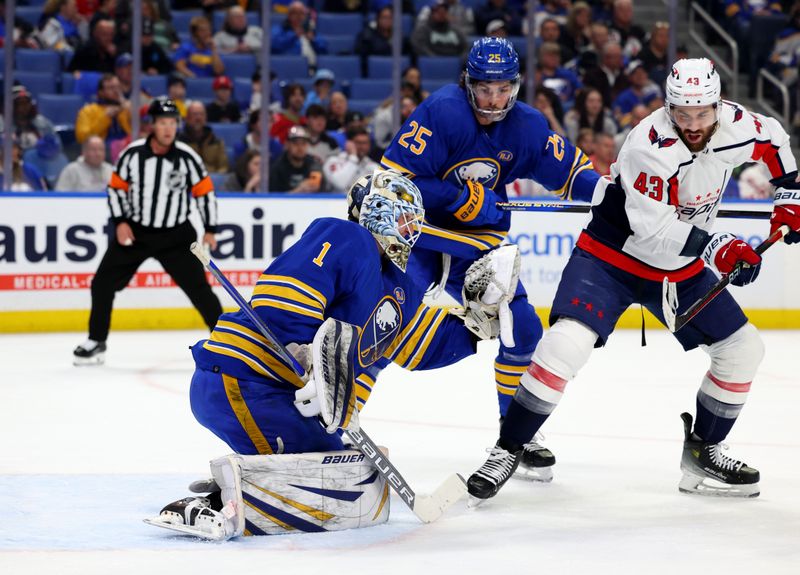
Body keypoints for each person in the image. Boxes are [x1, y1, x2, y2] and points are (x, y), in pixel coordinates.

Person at [466, 57, 800, 502]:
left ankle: (703, 450)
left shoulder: (739, 123)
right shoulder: (648, 142)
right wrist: (720, 245)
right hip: (611, 258)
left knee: (743, 350)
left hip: (678, 268)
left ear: (719, 106)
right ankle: (509, 448)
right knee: (566, 343)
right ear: (668, 106)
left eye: (702, 114)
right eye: (682, 113)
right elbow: (655, 232)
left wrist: (790, 195)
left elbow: (775, 139)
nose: (693, 124)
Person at [145, 170, 502, 539]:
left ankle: (246, 482)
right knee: (332, 482)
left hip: (275, 396)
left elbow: (422, 346)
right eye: (403, 216)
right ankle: (215, 507)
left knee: (348, 474)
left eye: (414, 220)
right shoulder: (346, 236)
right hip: (246, 379)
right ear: (376, 212)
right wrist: (308, 355)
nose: (410, 228)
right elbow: (288, 291)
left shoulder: (399, 290)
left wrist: (477, 328)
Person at [381, 37, 600, 481]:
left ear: (516, 87)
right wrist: (460, 197)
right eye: (485, 89)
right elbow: (392, 184)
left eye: (503, 89)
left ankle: (515, 434)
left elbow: (573, 173)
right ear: (468, 83)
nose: (494, 100)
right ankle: (340, 405)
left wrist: (608, 194)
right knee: (382, 316)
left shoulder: (528, 126)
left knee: (523, 326)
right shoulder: (440, 113)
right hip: (425, 238)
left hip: (478, 244)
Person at [73, 98, 223, 366]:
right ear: (152, 125)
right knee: (103, 283)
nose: (168, 129)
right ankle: (96, 341)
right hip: (137, 232)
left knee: (200, 289)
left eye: (173, 123)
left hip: (177, 235)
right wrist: (120, 221)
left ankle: (225, 342)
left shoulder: (188, 157)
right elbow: (116, 188)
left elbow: (204, 193)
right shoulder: (132, 154)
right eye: (163, 123)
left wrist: (210, 228)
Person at [322, 127, 380, 192]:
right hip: (332, 201)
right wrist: (353, 158)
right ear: (349, 143)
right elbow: (340, 184)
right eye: (358, 142)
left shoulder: (373, 166)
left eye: (365, 143)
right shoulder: (333, 161)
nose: (362, 147)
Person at [268, 125, 322, 193]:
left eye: (304, 143)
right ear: (287, 144)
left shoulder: (314, 164)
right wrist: (299, 190)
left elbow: (323, 193)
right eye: (295, 143)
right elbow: (273, 199)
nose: (300, 147)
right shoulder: (277, 167)